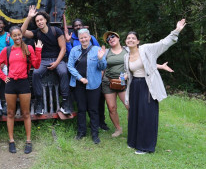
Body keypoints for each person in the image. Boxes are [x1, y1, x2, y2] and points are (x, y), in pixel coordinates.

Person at [124, 19, 187, 154]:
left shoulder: (147, 49)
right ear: (126, 42)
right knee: (134, 114)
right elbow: (130, 72)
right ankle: (133, 141)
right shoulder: (126, 55)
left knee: (146, 115)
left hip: (147, 86)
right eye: (128, 38)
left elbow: (163, 43)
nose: (130, 40)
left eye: (133, 38)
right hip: (135, 85)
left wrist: (176, 31)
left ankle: (145, 147)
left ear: (138, 41)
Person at [0, 26, 42, 154]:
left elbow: (36, 65)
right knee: (10, 113)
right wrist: (4, 77)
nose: (17, 37)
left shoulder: (28, 48)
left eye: (19, 35)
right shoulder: (7, 50)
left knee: (26, 113)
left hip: (24, 83)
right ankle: (11, 141)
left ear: (22, 35)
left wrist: (38, 51)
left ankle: (28, 141)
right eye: (14, 35)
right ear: (11, 37)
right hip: (11, 84)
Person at [21, 6, 70, 115]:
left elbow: (63, 48)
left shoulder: (56, 31)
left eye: (41, 20)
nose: (39, 22)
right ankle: (39, 102)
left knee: (63, 72)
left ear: (46, 20)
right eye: (37, 21)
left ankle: (65, 102)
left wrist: (57, 62)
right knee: (36, 74)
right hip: (42, 59)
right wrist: (29, 17)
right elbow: (22, 32)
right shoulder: (36, 33)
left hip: (57, 58)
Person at [65, 18, 109, 130]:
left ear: (90, 38)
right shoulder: (75, 50)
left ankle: (95, 133)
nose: (84, 39)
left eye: (85, 37)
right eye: (81, 38)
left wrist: (100, 59)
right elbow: (70, 65)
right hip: (79, 83)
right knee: (81, 109)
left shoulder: (97, 49)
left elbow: (103, 66)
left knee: (93, 109)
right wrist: (80, 78)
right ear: (78, 39)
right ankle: (81, 132)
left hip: (94, 83)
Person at [101, 31, 130, 137]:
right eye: (108, 39)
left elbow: (134, 63)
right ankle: (118, 129)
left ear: (118, 37)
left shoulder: (127, 50)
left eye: (112, 36)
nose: (110, 39)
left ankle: (132, 127)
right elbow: (102, 67)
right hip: (107, 82)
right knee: (111, 107)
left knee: (130, 106)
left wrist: (127, 74)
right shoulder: (106, 52)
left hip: (123, 82)